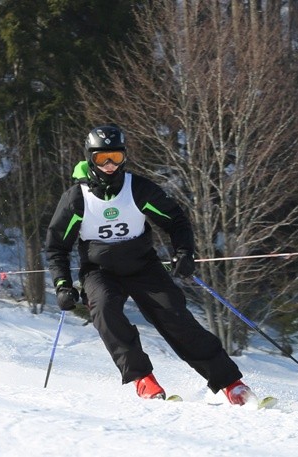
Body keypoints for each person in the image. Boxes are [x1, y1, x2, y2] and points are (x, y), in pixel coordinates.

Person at [45, 124, 254, 405]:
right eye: (101, 158)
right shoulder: (76, 199)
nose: (109, 165)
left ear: (124, 158)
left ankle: (231, 383)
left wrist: (184, 252)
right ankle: (143, 380)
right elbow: (57, 246)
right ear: (90, 158)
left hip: (144, 266)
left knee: (177, 318)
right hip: (99, 272)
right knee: (105, 310)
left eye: (115, 158)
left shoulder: (138, 189)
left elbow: (175, 219)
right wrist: (62, 285)